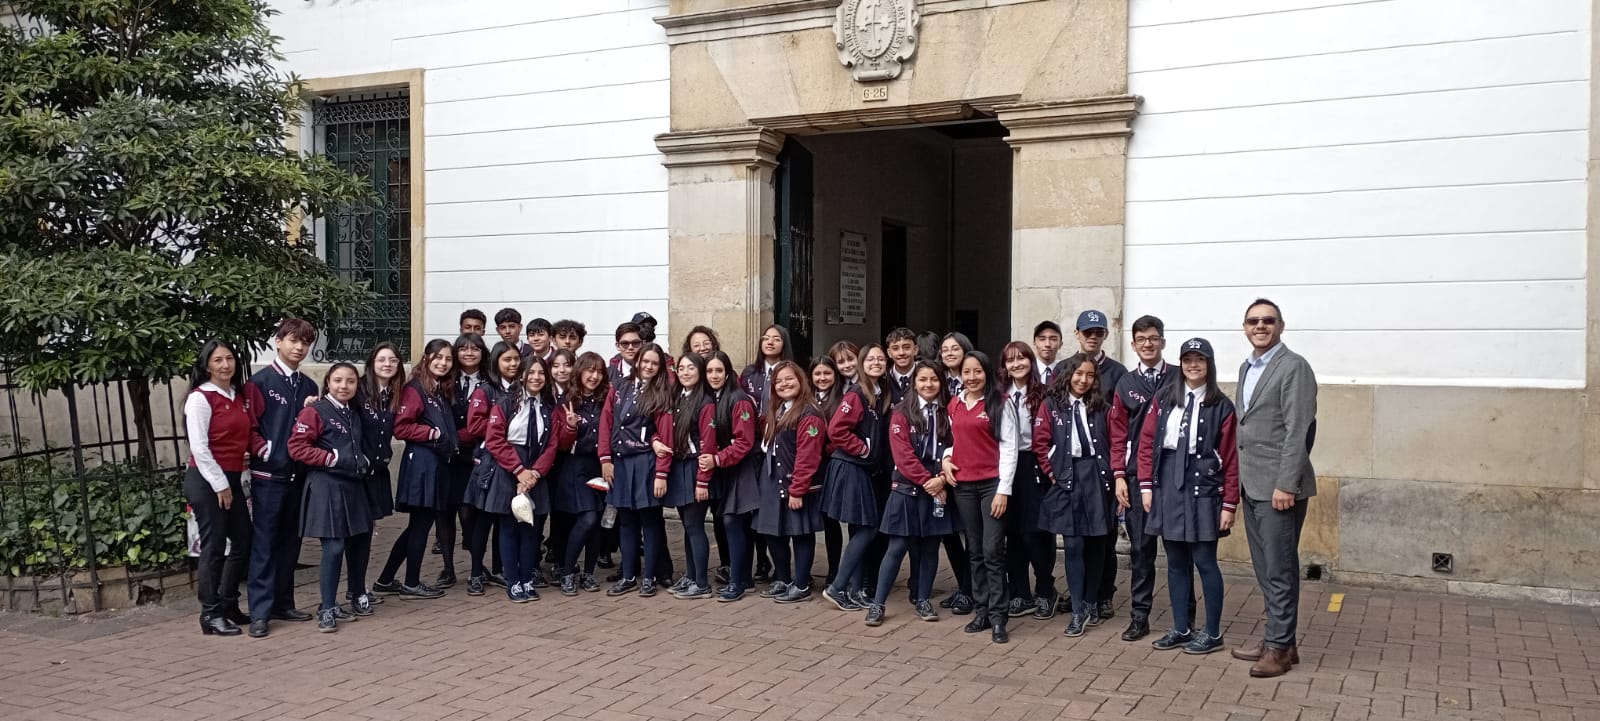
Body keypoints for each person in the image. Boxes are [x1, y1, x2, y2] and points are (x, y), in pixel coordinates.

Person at [1230, 299, 1318, 678]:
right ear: (1245, 327)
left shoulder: (1293, 367)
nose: (1260, 326)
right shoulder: (1247, 367)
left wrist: (1286, 483)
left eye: (1268, 320)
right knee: (1267, 568)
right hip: (1253, 485)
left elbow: (1299, 430)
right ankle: (1280, 639)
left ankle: (1279, 649)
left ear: (1281, 325)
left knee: (1279, 569)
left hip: (1279, 489)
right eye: (1253, 321)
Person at [1137, 338, 1239, 656]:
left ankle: (1212, 632)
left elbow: (1231, 457)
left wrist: (1229, 503)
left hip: (1204, 489)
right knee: (1176, 562)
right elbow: (1147, 442)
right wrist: (1145, 485)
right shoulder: (1165, 398)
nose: (1193, 365)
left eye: (1200, 360)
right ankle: (1182, 627)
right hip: (1168, 484)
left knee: (1205, 562)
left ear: (1209, 365)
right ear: (1180, 363)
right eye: (1187, 359)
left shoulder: (1221, 405)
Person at [864, 361, 958, 627]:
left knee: (930, 546)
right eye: (923, 379)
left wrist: (941, 480)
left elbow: (955, 448)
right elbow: (903, 456)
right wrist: (929, 481)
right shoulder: (901, 413)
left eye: (934, 380)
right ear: (914, 382)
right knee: (897, 547)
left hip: (937, 486)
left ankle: (923, 599)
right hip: (907, 488)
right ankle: (878, 604)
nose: (929, 385)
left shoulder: (948, 411)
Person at [1108, 315, 1184, 642]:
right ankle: (1140, 616)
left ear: (1163, 342)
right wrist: (1119, 475)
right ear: (1134, 344)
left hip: (1174, 476)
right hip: (1139, 478)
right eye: (1141, 339)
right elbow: (1117, 434)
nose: (1148, 344)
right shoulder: (1126, 383)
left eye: (1153, 338)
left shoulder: (1181, 377)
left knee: (1180, 551)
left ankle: (1185, 618)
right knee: (1141, 550)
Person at [244, 318, 319, 638]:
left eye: (304, 342)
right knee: (264, 543)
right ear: (278, 341)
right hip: (269, 476)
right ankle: (260, 611)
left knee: (291, 541)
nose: (299, 347)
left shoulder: (309, 387)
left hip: (297, 476)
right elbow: (249, 427)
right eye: (292, 340)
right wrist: (267, 452)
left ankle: (283, 602)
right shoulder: (259, 383)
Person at [1034, 352, 1116, 638]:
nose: (1083, 380)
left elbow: (1115, 440)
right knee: (1073, 545)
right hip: (1067, 479)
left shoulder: (1101, 406)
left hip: (1096, 478)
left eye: (1089, 375)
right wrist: (1053, 471)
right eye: (1079, 374)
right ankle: (1078, 607)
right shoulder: (1051, 405)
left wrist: (1109, 472)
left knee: (1097, 544)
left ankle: (1092, 600)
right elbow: (1040, 442)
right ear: (1068, 375)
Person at [288, 362, 374, 633]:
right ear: (328, 382)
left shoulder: (354, 413)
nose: (344, 386)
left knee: (361, 540)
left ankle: (357, 594)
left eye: (350, 381)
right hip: (326, 485)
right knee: (334, 548)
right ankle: (326, 607)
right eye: (338, 380)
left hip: (353, 486)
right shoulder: (314, 411)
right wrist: (331, 458)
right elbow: (297, 447)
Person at [373, 339, 458, 600]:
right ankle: (411, 583)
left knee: (417, 526)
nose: (443, 362)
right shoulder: (416, 388)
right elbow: (402, 427)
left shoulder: (439, 389)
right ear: (427, 359)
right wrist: (432, 432)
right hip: (422, 464)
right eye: (438, 357)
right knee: (420, 525)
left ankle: (386, 579)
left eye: (448, 359)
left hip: (435, 464)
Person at [941, 350, 1016, 644]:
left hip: (991, 485)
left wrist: (1003, 489)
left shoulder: (1000, 403)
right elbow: (951, 440)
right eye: (966, 372)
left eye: (977, 372)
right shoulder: (955, 403)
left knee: (992, 550)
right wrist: (946, 459)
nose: (972, 377)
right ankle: (981, 610)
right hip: (963, 486)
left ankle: (999, 617)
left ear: (987, 373)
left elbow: (1009, 448)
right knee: (974, 550)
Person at [184, 339, 254, 636]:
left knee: (243, 540)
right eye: (217, 360)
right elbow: (199, 447)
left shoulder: (236, 395)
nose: (225, 365)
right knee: (213, 547)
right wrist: (220, 484)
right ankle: (210, 613)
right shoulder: (200, 398)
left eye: (229, 359)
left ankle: (228, 603)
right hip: (206, 479)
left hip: (233, 476)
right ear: (206, 365)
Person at [480, 356, 561, 602]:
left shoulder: (549, 407)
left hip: (535, 471)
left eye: (541, 373)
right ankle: (513, 581)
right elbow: (494, 440)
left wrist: (534, 473)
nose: (536, 377)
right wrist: (518, 470)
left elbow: (552, 445)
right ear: (522, 375)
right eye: (531, 372)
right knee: (508, 528)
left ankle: (527, 578)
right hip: (507, 470)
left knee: (531, 529)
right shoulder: (505, 403)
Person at [820, 344, 892, 611]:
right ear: (862, 363)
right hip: (850, 467)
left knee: (860, 529)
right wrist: (863, 449)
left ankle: (856, 589)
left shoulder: (879, 392)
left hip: (861, 469)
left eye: (880, 359)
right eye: (870, 359)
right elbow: (836, 429)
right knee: (869, 528)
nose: (875, 362)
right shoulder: (856, 393)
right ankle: (838, 587)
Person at [599, 343, 674, 596]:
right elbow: (607, 422)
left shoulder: (662, 393)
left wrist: (662, 473)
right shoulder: (620, 386)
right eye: (645, 361)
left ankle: (650, 578)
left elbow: (664, 438)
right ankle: (629, 575)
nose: (649, 366)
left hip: (646, 464)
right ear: (638, 360)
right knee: (626, 522)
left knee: (650, 522)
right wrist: (605, 458)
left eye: (654, 363)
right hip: (620, 462)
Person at [753, 361, 826, 603]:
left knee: (800, 533)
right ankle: (783, 579)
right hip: (773, 479)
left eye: (789, 379)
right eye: (779, 381)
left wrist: (798, 489)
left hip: (796, 482)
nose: (784, 384)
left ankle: (802, 584)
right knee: (773, 531)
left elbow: (809, 456)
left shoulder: (809, 413)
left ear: (801, 381)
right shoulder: (777, 409)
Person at [998, 341, 1056, 620]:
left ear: (1031, 362)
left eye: (1021, 358)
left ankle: (1046, 589)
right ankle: (1020, 593)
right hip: (1006, 466)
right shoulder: (998, 395)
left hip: (1035, 465)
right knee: (1012, 534)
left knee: (1034, 533)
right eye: (1010, 360)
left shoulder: (1044, 394)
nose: (1016, 364)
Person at [1074, 308, 1125, 620]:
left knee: (1104, 537)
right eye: (1087, 332)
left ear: (1106, 334)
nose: (1093, 337)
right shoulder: (1067, 367)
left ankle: (1104, 593)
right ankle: (1082, 592)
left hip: (1104, 465)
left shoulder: (1118, 373)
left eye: (1098, 332)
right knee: (1079, 535)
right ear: (1078, 334)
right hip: (1074, 469)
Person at [460, 342, 522, 596]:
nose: (513, 364)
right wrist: (503, 426)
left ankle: (500, 568)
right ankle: (475, 572)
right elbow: (474, 427)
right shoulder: (485, 390)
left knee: (505, 519)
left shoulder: (522, 389)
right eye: (507, 359)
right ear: (496, 362)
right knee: (482, 521)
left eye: (516, 359)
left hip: (513, 463)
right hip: (488, 463)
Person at [702, 351, 761, 602]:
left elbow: (745, 442)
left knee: (732, 522)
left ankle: (737, 582)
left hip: (743, 467)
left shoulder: (739, 400)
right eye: (709, 371)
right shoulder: (710, 398)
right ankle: (744, 578)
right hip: (724, 468)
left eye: (718, 370)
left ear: (727, 372)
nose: (714, 375)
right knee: (736, 524)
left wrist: (717, 458)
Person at [351, 342, 405, 613]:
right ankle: (355, 590)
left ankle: (358, 588)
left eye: (393, 360)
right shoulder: (358, 390)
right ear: (372, 362)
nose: (387, 364)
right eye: (382, 359)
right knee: (358, 533)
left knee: (368, 532)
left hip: (378, 471)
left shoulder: (392, 394)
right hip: (357, 473)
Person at [553, 352, 610, 595]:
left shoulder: (606, 398)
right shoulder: (566, 400)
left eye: (598, 371)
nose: (594, 376)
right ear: (580, 371)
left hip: (600, 466)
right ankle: (567, 572)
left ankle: (588, 574)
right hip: (575, 467)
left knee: (597, 520)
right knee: (586, 518)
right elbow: (562, 444)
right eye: (589, 370)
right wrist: (570, 427)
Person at [436, 333, 489, 590]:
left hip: (473, 454)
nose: (469, 353)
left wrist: (461, 436)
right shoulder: (445, 380)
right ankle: (448, 568)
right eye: (463, 349)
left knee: (470, 512)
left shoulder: (490, 381)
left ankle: (477, 565)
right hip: (446, 455)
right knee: (445, 513)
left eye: (475, 349)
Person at [663, 353, 716, 599]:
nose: (685, 372)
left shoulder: (705, 403)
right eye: (681, 368)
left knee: (695, 526)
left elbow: (708, 444)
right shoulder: (677, 397)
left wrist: (703, 480)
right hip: (679, 467)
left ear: (700, 371)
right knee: (687, 526)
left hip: (696, 468)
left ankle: (702, 582)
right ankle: (692, 575)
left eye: (690, 368)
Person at [809, 356, 845, 586]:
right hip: (810, 469)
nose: (822, 378)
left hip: (830, 467)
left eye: (827, 373)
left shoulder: (842, 400)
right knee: (808, 522)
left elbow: (842, 437)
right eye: (818, 374)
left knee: (830, 521)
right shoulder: (806, 400)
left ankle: (834, 571)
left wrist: (821, 447)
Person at [884, 328, 918, 405]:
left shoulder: (925, 377)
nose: (901, 353)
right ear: (889, 353)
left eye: (906, 347)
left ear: (915, 350)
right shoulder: (882, 379)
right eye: (895, 348)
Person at [608, 322, 645, 386]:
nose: (630, 347)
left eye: (635, 343)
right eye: (625, 343)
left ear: (642, 344)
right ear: (617, 346)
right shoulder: (607, 375)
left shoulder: (654, 372)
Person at [1033, 321, 1065, 385]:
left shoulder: (1066, 371)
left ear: (1061, 344)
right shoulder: (1027, 371)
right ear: (1034, 342)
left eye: (1053, 339)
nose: (1047, 344)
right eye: (1042, 339)